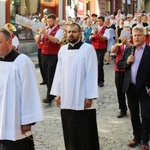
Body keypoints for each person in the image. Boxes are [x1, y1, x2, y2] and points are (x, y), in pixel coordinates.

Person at [50, 23, 100, 150]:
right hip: (66, 97)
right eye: (69, 31)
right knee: (69, 129)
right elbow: (59, 73)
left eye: (74, 31)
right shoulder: (62, 50)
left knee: (83, 131)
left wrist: (90, 97)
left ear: (80, 33)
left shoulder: (88, 49)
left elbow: (91, 73)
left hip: (81, 98)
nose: (71, 34)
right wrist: (57, 93)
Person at [0, 28, 44, 150]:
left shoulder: (22, 61)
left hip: (15, 118)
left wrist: (28, 121)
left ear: (9, 42)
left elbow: (29, 92)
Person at [117, 25, 150, 150]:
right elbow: (120, 64)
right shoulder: (129, 50)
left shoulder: (148, 51)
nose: (136, 38)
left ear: (144, 36)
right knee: (134, 114)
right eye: (135, 35)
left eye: (139, 35)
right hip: (131, 88)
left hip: (145, 89)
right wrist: (127, 62)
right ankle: (137, 137)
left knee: (146, 115)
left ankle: (145, 140)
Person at [36, 14, 64, 104]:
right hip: (44, 55)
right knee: (45, 74)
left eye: (50, 21)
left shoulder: (59, 31)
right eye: (47, 21)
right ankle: (52, 93)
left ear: (55, 21)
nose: (48, 23)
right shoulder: (46, 30)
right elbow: (38, 42)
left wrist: (46, 34)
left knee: (50, 75)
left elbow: (55, 40)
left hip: (53, 55)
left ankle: (49, 97)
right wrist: (40, 35)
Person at [111, 26, 133, 118]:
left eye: (128, 32)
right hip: (119, 69)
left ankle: (133, 109)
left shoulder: (132, 41)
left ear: (130, 34)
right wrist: (118, 43)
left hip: (129, 69)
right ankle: (122, 109)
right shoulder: (119, 41)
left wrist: (127, 42)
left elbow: (134, 49)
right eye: (124, 32)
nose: (125, 34)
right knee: (120, 91)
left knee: (131, 91)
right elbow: (112, 51)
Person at [89, 16, 107, 87]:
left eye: (100, 21)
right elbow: (90, 38)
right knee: (94, 64)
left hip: (101, 48)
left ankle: (101, 80)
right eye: (98, 21)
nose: (99, 22)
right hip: (94, 48)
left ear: (103, 22)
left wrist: (98, 33)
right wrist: (92, 36)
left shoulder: (106, 29)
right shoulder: (94, 29)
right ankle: (95, 80)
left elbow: (103, 39)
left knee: (99, 64)